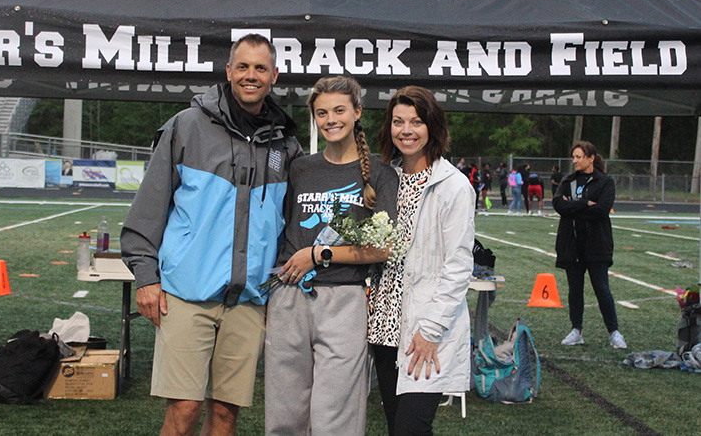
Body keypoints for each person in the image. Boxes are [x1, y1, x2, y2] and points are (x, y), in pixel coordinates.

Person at [120, 34, 302, 436]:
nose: (250, 75)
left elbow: (293, 223)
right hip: (186, 293)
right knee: (183, 411)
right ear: (228, 72)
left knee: (224, 415)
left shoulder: (286, 143)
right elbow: (148, 207)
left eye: (259, 68)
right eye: (243, 66)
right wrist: (147, 277)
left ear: (274, 75)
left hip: (249, 300)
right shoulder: (186, 126)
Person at [265, 76, 399, 436]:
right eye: (321, 113)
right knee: (284, 412)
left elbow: (381, 248)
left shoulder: (382, 173)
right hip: (289, 296)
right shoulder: (301, 168)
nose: (330, 120)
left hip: (344, 300)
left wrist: (319, 254)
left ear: (357, 112)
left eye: (339, 110)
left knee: (335, 414)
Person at [369, 86, 475, 436]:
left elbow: (458, 267)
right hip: (383, 327)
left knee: (411, 429)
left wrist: (431, 330)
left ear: (432, 126)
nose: (406, 130)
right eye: (398, 121)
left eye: (416, 121)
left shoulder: (453, 186)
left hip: (424, 330)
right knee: (395, 426)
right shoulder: (383, 179)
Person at [553, 141, 627, 349]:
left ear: (590, 158)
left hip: (597, 245)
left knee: (602, 288)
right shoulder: (568, 181)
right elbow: (560, 205)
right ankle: (576, 330)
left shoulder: (605, 182)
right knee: (575, 289)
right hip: (572, 244)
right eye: (573, 157)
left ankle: (614, 332)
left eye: (578, 157)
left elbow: (602, 210)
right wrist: (584, 203)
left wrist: (573, 206)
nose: (575, 161)